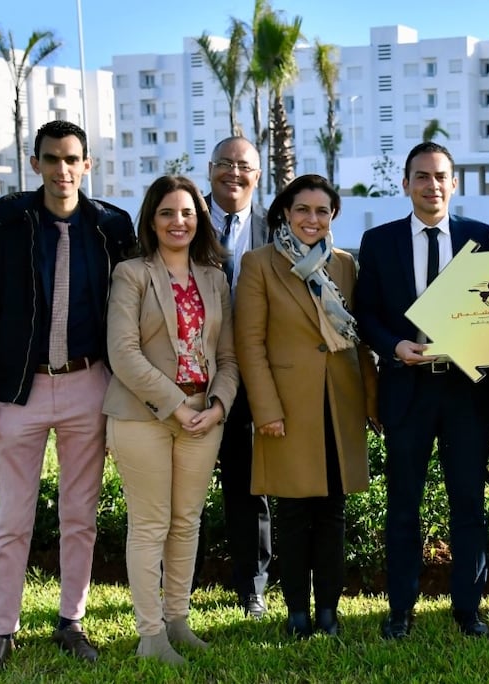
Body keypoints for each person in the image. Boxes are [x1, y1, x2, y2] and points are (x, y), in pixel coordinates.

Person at [0, 120, 136, 676]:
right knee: (14, 518)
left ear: (87, 165)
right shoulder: (5, 222)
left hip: (89, 385)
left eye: (72, 159)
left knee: (80, 514)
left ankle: (70, 621)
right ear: (35, 164)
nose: (62, 169)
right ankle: (0, 633)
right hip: (19, 391)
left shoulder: (111, 226)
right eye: (51, 158)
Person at [355, 141, 489, 638]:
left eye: (440, 176)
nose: (431, 185)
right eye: (421, 176)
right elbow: (365, 313)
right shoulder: (378, 241)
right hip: (406, 389)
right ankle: (400, 611)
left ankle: (468, 610)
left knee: (468, 505)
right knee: (403, 509)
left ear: (453, 183)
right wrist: (394, 345)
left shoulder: (480, 237)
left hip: (464, 394)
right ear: (406, 184)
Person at [235, 175, 379, 638]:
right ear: (285, 212)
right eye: (303, 210)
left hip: (339, 403)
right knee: (295, 515)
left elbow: (357, 342)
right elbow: (249, 344)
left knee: (333, 514)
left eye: (322, 211)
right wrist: (265, 409)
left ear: (333, 216)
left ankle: (329, 614)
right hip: (288, 408)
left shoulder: (344, 265)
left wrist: (372, 403)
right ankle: (297, 611)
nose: (312, 219)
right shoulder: (259, 264)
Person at [102, 175, 239, 664]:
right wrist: (177, 406)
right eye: (167, 213)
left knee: (187, 521)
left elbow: (228, 356)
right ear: (151, 221)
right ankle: (150, 635)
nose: (177, 222)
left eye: (186, 213)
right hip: (143, 417)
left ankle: (178, 621)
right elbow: (123, 352)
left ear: (199, 218)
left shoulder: (215, 278)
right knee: (151, 524)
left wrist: (218, 405)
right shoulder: (132, 274)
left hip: (205, 416)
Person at [204, 136, 273, 618]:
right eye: (225, 164)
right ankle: (174, 587)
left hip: (252, 378)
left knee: (252, 488)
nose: (234, 172)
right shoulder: (182, 218)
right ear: (210, 170)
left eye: (244, 165)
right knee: (177, 488)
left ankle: (253, 587)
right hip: (188, 378)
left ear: (258, 174)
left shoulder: (276, 229)